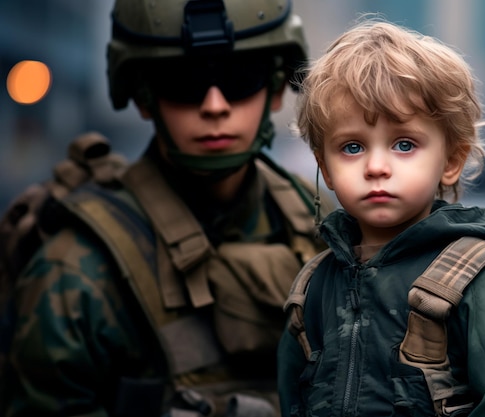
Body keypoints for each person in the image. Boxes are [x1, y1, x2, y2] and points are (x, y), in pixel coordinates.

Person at [0, 0, 334, 416]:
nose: (214, 106)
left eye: (240, 78)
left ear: (276, 88)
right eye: (185, 81)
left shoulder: (327, 227)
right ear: (143, 96)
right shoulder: (74, 269)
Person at [277, 19, 485, 417]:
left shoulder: (480, 286)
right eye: (352, 147)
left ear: (452, 160)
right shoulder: (313, 288)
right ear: (326, 166)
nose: (376, 166)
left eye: (404, 144)